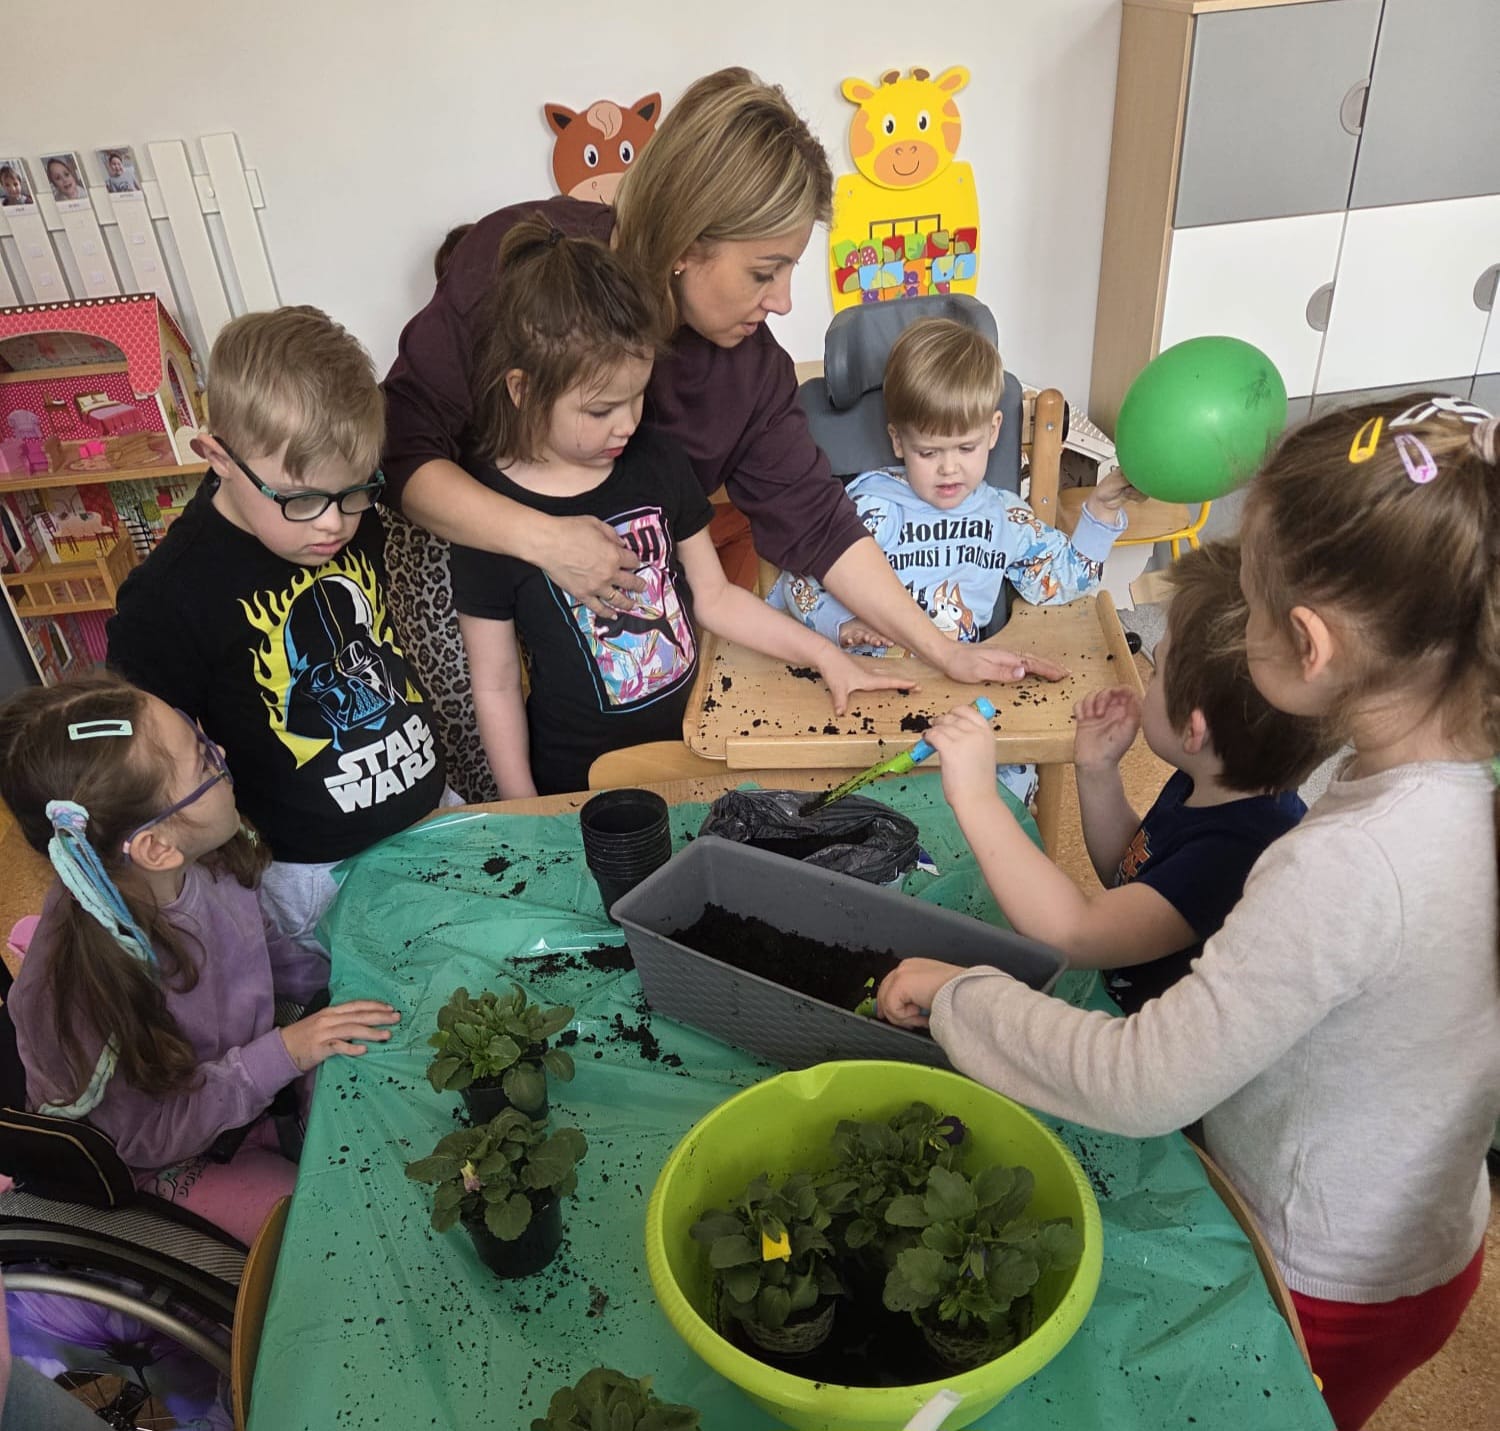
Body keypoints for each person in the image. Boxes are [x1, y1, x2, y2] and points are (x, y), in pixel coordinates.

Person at [877, 394, 1500, 1430]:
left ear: (1308, 644)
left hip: (1324, 1271)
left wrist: (960, 997)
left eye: (1250, 602)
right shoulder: (1438, 789)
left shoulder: (1343, 865)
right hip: (1408, 1230)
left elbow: (1139, 1081)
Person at [381, 68, 1065, 800]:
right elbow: (402, 451)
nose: (785, 300)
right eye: (764, 272)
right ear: (684, 243)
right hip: (474, 569)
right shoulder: (521, 271)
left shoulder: (750, 371)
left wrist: (942, 650)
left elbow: (818, 525)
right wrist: (545, 541)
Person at [449, 218, 916, 797]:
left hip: (696, 748)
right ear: (521, 390)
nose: (626, 424)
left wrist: (825, 655)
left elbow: (715, 597)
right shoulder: (487, 517)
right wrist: (524, 808)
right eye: (600, 410)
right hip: (579, 785)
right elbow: (495, 684)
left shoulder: (656, 460)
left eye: (637, 397)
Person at [0, 673, 401, 1245]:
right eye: (203, 759)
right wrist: (286, 1053)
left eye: (201, 736)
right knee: (340, 1231)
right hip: (162, 1161)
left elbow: (272, 954)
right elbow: (147, 1134)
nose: (223, 754)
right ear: (157, 847)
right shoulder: (83, 988)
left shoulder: (207, 857)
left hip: (246, 1092)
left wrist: (349, 985)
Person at [107, 307, 451, 959]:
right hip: (313, 874)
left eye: (354, 492)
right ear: (219, 457)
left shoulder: (348, 516)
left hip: (430, 804)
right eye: (302, 499)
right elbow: (144, 765)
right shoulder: (169, 596)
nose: (333, 524)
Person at [907, 539, 1334, 1013]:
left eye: (1157, 669)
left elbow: (1073, 933)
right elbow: (1132, 877)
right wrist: (1098, 771)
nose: (1144, 680)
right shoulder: (1218, 782)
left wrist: (977, 796)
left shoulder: (1238, 854)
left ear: (1192, 730)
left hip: (1132, 1033)